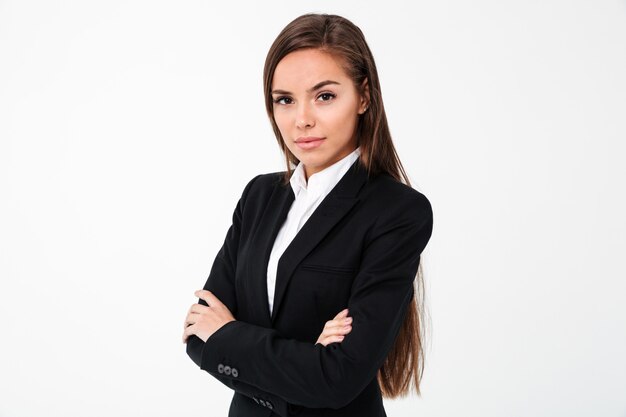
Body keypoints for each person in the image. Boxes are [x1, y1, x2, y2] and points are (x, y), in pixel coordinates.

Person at [182, 12, 433, 417]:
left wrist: (230, 337)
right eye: (285, 100)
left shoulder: (397, 212)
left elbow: (338, 379)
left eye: (325, 96)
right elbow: (198, 333)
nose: (302, 120)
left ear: (364, 97)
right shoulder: (259, 196)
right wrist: (304, 359)